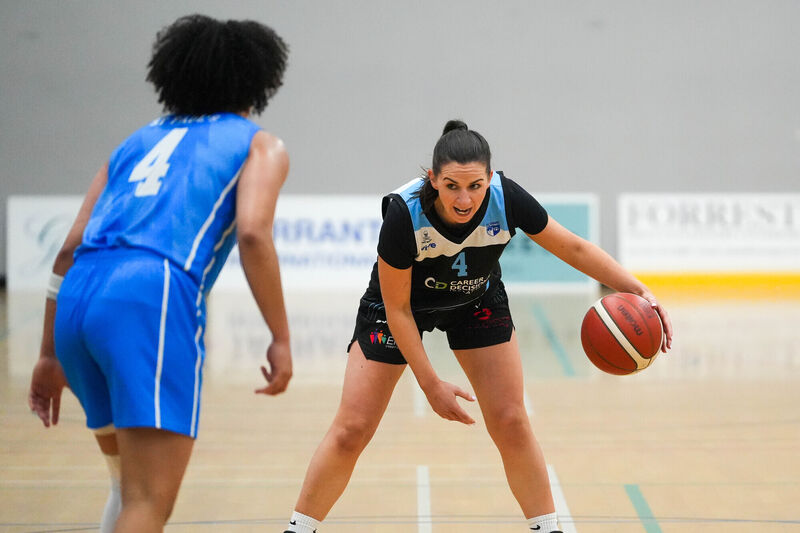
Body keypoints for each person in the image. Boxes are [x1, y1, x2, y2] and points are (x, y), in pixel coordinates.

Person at [283, 120, 674, 533]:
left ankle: (547, 527)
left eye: (475, 186)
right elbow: (398, 309)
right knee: (352, 429)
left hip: (475, 299)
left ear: (490, 178)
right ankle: (298, 528)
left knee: (510, 419)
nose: (464, 198)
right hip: (399, 307)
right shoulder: (403, 214)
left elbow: (573, 247)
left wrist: (639, 290)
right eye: (451, 186)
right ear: (433, 179)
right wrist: (431, 383)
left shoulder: (507, 199)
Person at [28, 14, 291, 533]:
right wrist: (281, 337)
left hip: (79, 293)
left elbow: (67, 249)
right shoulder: (259, 143)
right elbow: (254, 234)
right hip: (151, 295)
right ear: (258, 81)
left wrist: (46, 353)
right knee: (149, 501)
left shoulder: (134, 141)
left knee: (126, 486)